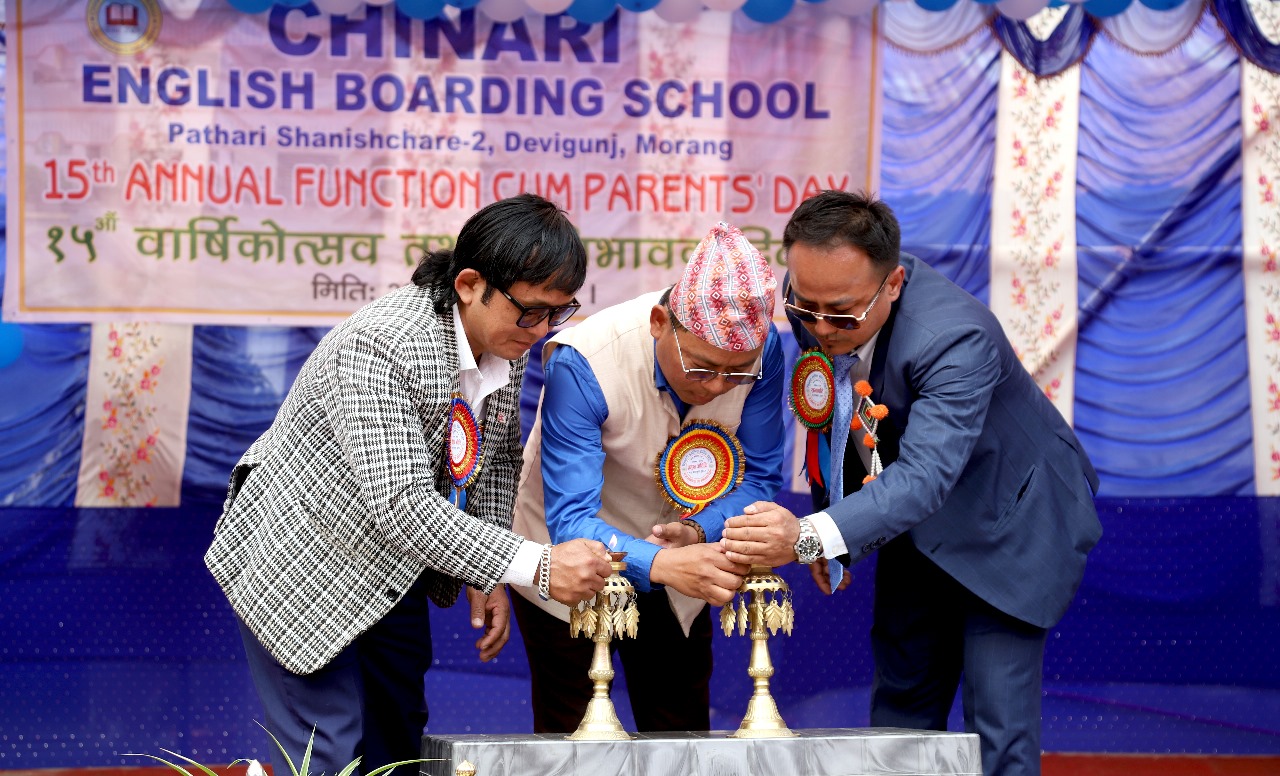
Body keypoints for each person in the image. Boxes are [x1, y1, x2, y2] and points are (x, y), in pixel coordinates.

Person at [203, 194, 615, 775]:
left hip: (393, 568)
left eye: (559, 311)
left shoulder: (508, 339)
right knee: (329, 753)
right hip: (301, 562)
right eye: (530, 311)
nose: (543, 329)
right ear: (469, 285)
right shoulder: (383, 342)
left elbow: (497, 459)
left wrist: (487, 574)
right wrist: (537, 566)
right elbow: (402, 504)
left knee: (396, 743)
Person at [720, 190, 1102, 776]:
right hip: (913, 523)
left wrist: (809, 536)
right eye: (804, 306)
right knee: (899, 716)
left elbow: (925, 478)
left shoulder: (955, 337)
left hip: (1011, 524)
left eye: (840, 313)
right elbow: (832, 402)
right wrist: (832, 522)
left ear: (893, 284)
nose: (819, 327)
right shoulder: (818, 307)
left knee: (995, 730)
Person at [510, 222, 786, 733]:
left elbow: (762, 478)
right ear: (660, 323)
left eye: (736, 373)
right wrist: (661, 562)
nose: (718, 387)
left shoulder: (763, 352)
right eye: (702, 367)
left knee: (680, 733)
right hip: (572, 564)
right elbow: (571, 521)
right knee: (573, 736)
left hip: (687, 568)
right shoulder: (585, 359)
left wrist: (700, 530)